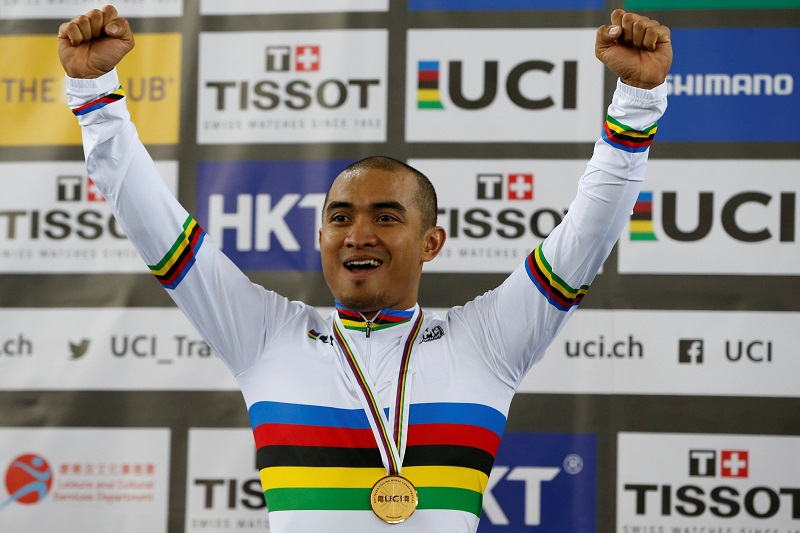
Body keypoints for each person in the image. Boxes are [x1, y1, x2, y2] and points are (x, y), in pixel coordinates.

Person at [58, 5, 671, 532]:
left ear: (431, 242)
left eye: (384, 217)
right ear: (320, 235)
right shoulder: (264, 334)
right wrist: (95, 97)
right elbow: (154, 222)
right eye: (341, 217)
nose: (357, 234)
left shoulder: (488, 341)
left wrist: (637, 103)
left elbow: (587, 233)